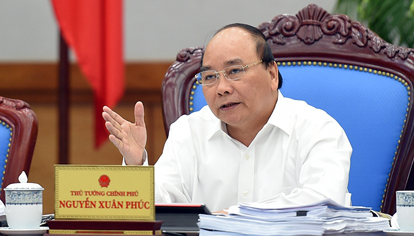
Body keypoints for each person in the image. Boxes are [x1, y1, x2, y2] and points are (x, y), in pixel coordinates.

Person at [102, 23, 352, 212]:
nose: (221, 87)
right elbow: (163, 209)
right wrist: (136, 167)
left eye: (234, 71)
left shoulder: (318, 129)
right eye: (210, 77)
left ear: (272, 74)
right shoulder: (189, 132)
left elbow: (322, 203)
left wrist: (236, 217)